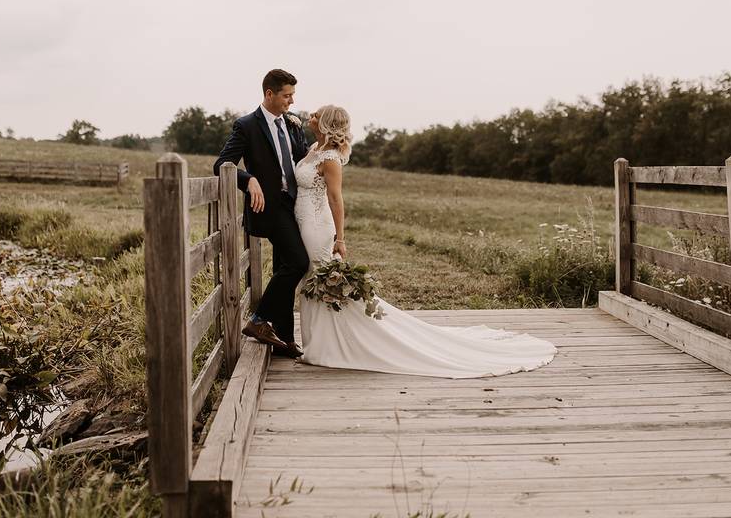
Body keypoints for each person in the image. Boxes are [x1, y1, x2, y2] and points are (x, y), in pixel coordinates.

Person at [294, 105, 558, 378]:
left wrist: (341, 239)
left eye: (316, 114)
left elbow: (336, 200)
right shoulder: (314, 147)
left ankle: (328, 347)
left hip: (317, 226)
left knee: (320, 281)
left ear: (325, 123)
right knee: (311, 280)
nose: (310, 116)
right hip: (303, 222)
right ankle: (318, 343)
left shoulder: (331, 158)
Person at [214, 68, 309, 359]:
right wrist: (248, 179)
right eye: (286, 95)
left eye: (292, 95)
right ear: (269, 94)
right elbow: (221, 165)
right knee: (298, 262)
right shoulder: (247, 125)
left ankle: (284, 339)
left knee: (284, 266)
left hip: (295, 204)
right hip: (270, 206)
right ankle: (258, 320)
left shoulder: (291, 124)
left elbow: (302, 159)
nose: (291, 101)